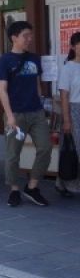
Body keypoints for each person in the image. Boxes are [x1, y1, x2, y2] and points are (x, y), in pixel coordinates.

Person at [0, 21, 51, 207]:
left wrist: (42, 102)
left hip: (36, 112)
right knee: (13, 155)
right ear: (14, 38)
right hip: (16, 114)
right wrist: (9, 115)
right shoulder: (4, 61)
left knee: (45, 148)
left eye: (30, 35)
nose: (30, 39)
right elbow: (2, 90)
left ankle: (32, 186)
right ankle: (14, 190)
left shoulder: (34, 58)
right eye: (26, 35)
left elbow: (36, 83)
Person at [58, 31, 80, 195]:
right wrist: (66, 120)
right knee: (74, 148)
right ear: (73, 47)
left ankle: (62, 182)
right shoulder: (68, 68)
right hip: (73, 110)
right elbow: (64, 95)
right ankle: (70, 183)